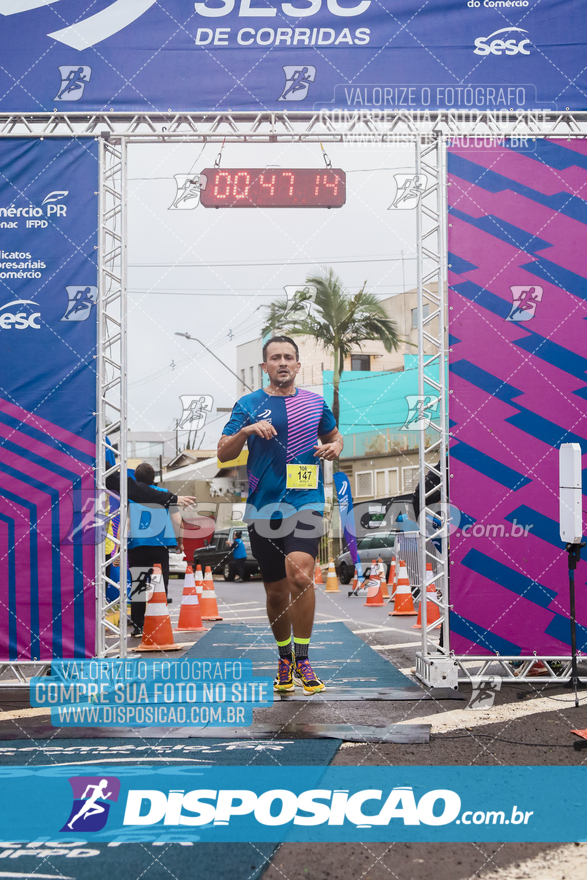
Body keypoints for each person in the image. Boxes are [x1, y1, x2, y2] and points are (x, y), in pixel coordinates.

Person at [218, 335, 343, 694]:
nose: (283, 363)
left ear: (298, 365)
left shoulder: (315, 403)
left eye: (289, 357)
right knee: (275, 592)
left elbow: (337, 438)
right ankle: (284, 656)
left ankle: (302, 657)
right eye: (276, 358)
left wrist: (334, 447)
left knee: (301, 576)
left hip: (306, 499)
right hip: (264, 506)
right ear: (265, 367)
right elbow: (223, 455)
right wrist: (246, 429)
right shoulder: (248, 404)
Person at [127, 462, 184, 636]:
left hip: (136, 546)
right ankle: (158, 623)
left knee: (138, 586)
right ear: (154, 478)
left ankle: (138, 626)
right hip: (159, 546)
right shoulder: (165, 495)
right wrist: (180, 542)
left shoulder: (131, 496)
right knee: (159, 586)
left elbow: (126, 522)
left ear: (136, 478)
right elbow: (177, 521)